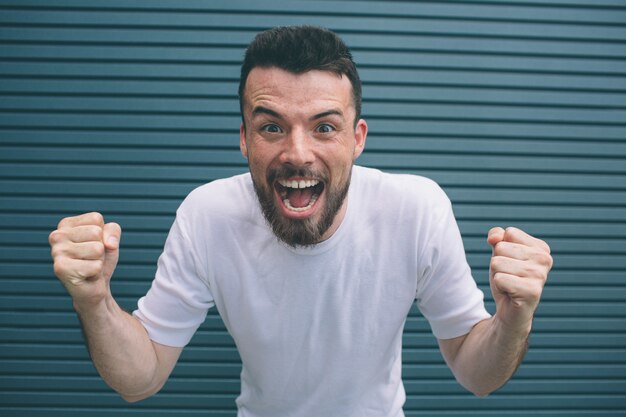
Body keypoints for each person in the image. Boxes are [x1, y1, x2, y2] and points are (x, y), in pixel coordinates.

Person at [48, 26, 553, 417]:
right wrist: (94, 300)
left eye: (324, 127)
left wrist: (514, 317)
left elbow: (476, 373)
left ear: (357, 139)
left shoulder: (416, 210)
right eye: (271, 127)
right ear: (244, 139)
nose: (297, 153)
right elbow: (142, 377)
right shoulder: (206, 216)